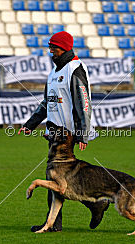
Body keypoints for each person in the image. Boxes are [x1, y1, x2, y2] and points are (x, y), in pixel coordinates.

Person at [18, 31, 110, 232]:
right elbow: (46, 103)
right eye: (50, 47)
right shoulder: (54, 72)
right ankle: (95, 204)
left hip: (68, 133)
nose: (51, 50)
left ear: (65, 48)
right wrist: (30, 124)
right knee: (60, 178)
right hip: (55, 133)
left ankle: (56, 223)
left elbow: (84, 103)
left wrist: (82, 133)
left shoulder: (75, 69)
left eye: (54, 47)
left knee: (55, 177)